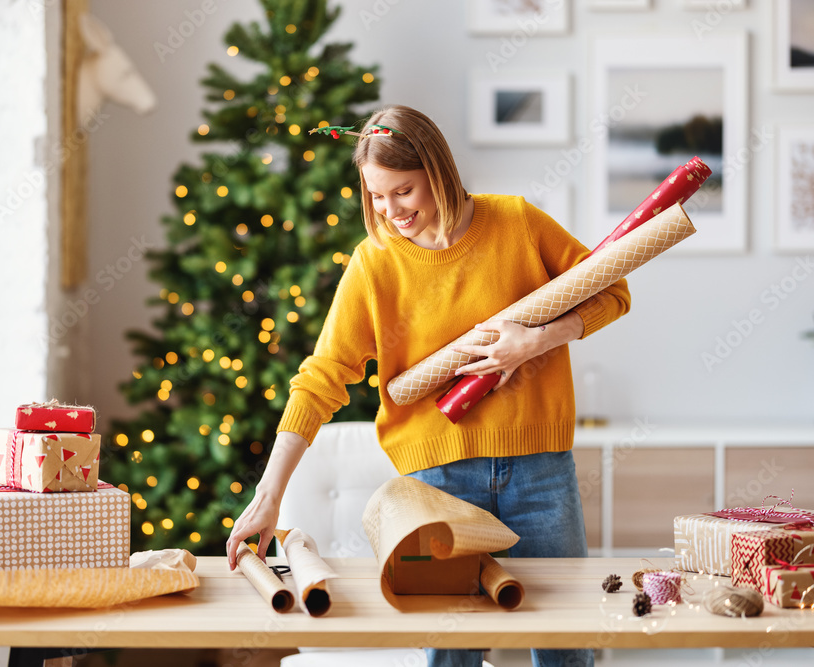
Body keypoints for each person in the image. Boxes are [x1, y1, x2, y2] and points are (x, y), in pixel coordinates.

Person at [225, 105, 631, 667]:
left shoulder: (516, 223)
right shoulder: (375, 264)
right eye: (376, 196)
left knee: (568, 646)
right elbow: (321, 379)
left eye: (403, 191)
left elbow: (612, 291)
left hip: (541, 473)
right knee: (448, 655)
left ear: (438, 171)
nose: (390, 211)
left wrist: (535, 340)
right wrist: (268, 496)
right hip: (434, 484)